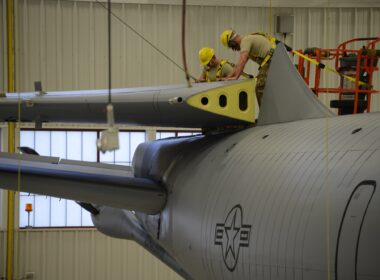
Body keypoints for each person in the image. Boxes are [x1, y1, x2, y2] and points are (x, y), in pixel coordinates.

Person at [220, 30, 277, 104]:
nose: (233, 49)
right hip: (272, 61)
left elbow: (242, 60)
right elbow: (239, 64)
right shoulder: (247, 42)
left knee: (260, 87)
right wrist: (229, 77)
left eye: (232, 46)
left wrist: (236, 77)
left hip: (271, 61)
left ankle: (266, 113)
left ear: (233, 42)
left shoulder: (245, 41)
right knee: (266, 88)